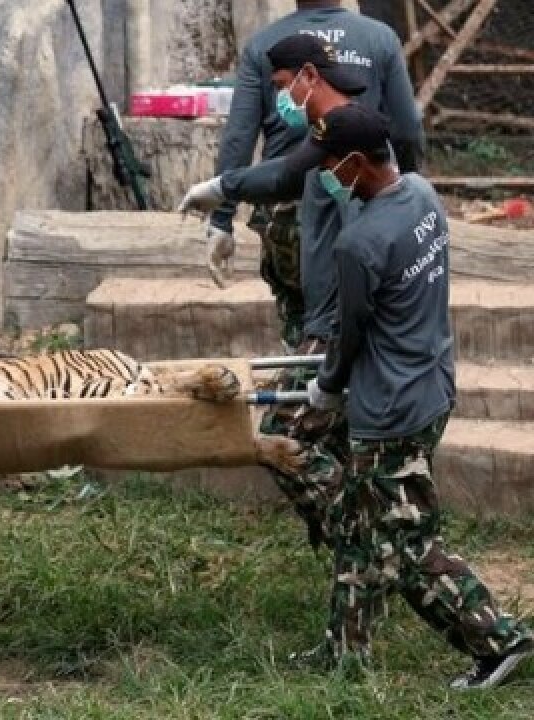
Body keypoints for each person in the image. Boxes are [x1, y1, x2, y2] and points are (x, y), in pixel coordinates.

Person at [303, 102, 532, 689]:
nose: (325, 174)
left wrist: (326, 389)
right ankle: (344, 653)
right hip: (432, 381)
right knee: (359, 528)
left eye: (331, 164)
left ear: (355, 163)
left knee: (404, 543)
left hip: (390, 410)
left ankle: (497, 639)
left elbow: (349, 334)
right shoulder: (425, 197)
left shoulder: (359, 245)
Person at [180, 28, 422, 549]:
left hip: (336, 319)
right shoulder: (336, 123)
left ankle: (364, 538)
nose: (279, 98)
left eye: (284, 85)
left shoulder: (344, 146)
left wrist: (332, 367)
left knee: (281, 437)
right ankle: (365, 546)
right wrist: (224, 194)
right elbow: (290, 173)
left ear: (310, 77)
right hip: (331, 312)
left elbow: (294, 174)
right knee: (335, 438)